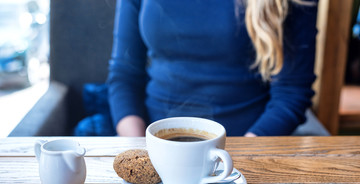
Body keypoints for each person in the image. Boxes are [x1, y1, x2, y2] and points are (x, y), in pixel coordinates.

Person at [106, 0, 318, 137]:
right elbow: (125, 73)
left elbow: (292, 93)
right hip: (150, 140)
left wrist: (243, 155)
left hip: (247, 144)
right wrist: (140, 148)